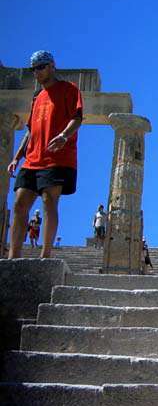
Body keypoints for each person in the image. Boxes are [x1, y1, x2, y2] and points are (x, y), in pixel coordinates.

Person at [7, 51, 83, 259]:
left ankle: (45, 254)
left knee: (49, 202)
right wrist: (17, 156)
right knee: (19, 204)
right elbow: (30, 130)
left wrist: (64, 136)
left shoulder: (69, 89)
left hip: (57, 157)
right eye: (34, 69)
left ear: (52, 66)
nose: (37, 72)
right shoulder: (36, 97)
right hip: (32, 159)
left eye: (40, 67)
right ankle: (13, 255)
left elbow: (77, 118)